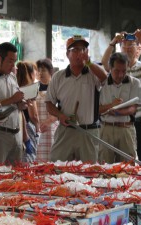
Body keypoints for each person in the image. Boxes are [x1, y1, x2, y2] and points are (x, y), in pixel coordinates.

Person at [101, 28, 141, 165]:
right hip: (123, 123)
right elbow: (104, 62)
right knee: (122, 161)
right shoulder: (117, 69)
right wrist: (113, 42)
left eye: (131, 46)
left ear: (139, 50)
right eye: (124, 45)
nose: (127, 48)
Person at [46, 35, 107, 163]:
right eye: (75, 50)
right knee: (57, 166)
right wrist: (60, 115)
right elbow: (49, 104)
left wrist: (89, 62)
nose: (80, 53)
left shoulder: (92, 74)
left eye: (83, 49)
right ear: (67, 54)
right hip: (66, 130)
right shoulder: (58, 77)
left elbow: (104, 77)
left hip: (88, 131)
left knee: (89, 171)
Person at [99, 52, 141, 164]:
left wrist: (118, 113)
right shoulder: (101, 84)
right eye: (117, 71)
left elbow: (133, 109)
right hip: (106, 129)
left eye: (124, 71)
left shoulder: (135, 83)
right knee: (104, 167)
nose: (120, 75)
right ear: (110, 68)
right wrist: (111, 106)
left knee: (127, 168)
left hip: (126, 129)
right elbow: (96, 110)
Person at [35, 58, 58, 162]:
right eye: (38, 70)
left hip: (52, 128)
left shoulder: (56, 87)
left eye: (43, 70)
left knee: (52, 159)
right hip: (38, 129)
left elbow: (61, 109)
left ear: (50, 71)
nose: (40, 73)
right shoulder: (34, 88)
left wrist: (49, 121)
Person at [16, 61, 40, 163]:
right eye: (35, 71)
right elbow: (33, 115)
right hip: (29, 127)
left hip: (17, 126)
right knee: (28, 158)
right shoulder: (31, 89)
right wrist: (37, 127)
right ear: (30, 73)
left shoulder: (15, 87)